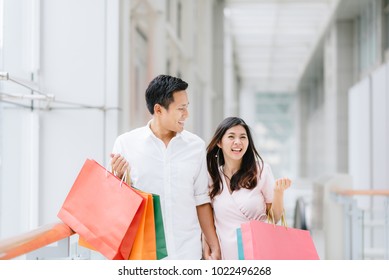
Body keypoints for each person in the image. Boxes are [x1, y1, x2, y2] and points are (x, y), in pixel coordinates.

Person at [110, 74, 220, 260]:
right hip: (144, 255)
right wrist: (119, 178)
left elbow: (201, 200)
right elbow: (114, 204)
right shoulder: (126, 144)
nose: (187, 114)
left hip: (187, 253)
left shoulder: (196, 146)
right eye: (181, 109)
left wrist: (213, 243)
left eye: (187, 108)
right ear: (159, 110)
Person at [203, 117, 291, 260]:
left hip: (258, 253)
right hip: (225, 257)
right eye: (231, 137)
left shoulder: (261, 170)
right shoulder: (212, 176)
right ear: (219, 142)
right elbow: (208, 220)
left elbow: (274, 218)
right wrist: (208, 248)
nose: (238, 142)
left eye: (243, 137)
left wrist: (278, 193)